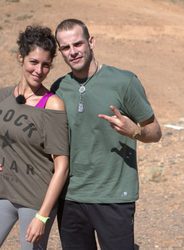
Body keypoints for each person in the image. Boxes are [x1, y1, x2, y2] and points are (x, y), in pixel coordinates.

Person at [51, 18, 162, 250]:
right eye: (65, 47)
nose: (73, 52)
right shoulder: (58, 88)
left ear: (91, 42)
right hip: (70, 198)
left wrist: (135, 131)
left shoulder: (124, 81)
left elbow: (155, 132)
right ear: (60, 51)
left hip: (114, 196)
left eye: (78, 44)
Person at [0, 25, 69, 249]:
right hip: (4, 192)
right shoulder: (4, 95)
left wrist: (42, 216)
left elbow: (62, 166)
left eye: (46, 65)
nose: (39, 70)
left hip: (35, 200)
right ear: (21, 58)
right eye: (34, 62)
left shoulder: (52, 105)